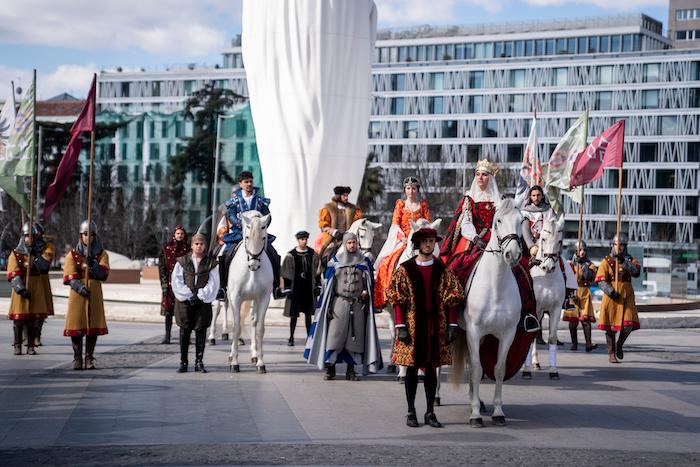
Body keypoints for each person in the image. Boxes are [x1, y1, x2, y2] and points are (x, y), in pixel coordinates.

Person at [439, 159, 539, 332]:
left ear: (491, 178)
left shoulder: (499, 201)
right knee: (455, 269)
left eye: (484, 175)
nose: (480, 178)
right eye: (477, 174)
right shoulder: (469, 199)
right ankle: (452, 315)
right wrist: (475, 237)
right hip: (475, 241)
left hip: (498, 240)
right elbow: (465, 223)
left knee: (522, 271)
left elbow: (508, 221)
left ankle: (526, 314)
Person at [386, 227, 463, 428]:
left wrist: (453, 324)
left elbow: (452, 298)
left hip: (435, 326)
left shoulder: (443, 269)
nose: (429, 244)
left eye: (432, 241)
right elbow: (397, 299)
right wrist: (400, 325)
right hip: (411, 326)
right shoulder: (405, 269)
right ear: (418, 244)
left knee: (431, 370)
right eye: (425, 241)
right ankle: (411, 411)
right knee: (411, 370)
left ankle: (430, 412)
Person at [305, 232, 383, 381]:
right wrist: (326, 305)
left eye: (354, 242)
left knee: (354, 340)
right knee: (334, 337)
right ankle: (330, 369)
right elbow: (327, 286)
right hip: (338, 304)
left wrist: (367, 293)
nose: (352, 245)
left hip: (358, 305)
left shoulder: (364, 262)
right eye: (349, 243)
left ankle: (351, 370)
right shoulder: (335, 262)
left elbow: (370, 284)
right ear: (344, 244)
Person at [217, 170, 282, 300]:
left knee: (274, 254)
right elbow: (231, 215)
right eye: (246, 182)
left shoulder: (260, 200)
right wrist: (243, 225)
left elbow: (267, 216)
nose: (249, 184)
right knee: (224, 255)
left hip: (258, 235)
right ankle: (222, 288)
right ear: (240, 184)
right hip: (238, 234)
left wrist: (260, 227)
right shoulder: (234, 201)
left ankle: (276, 288)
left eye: (251, 181)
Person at [373, 176, 432, 310]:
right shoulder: (400, 204)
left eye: (414, 188)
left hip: (420, 240)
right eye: (408, 188)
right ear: (405, 190)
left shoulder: (423, 205)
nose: (411, 191)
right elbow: (395, 223)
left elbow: (427, 223)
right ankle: (386, 295)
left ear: (418, 190)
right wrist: (402, 237)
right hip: (403, 239)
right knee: (386, 263)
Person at [63, 220, 109, 370]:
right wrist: (80, 287)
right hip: (78, 295)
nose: (88, 237)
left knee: (92, 326)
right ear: (80, 235)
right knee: (77, 325)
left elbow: (103, 274)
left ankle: (89, 358)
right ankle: (77, 358)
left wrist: (93, 265)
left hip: (94, 293)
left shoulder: (102, 254)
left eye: (91, 234)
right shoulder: (73, 255)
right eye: (85, 234)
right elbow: (69, 275)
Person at [171, 233, 219, 373]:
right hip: (185, 302)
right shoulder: (182, 261)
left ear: (205, 246)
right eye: (196, 244)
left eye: (202, 244)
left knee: (201, 331)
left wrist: (201, 295)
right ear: (192, 245)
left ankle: (199, 362)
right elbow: (176, 280)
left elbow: (214, 282)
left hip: (202, 302)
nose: (199, 246)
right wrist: (188, 294)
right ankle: (183, 362)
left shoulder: (211, 263)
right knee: (184, 331)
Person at [6, 222, 54, 355]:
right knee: (19, 320)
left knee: (34, 320)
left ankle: (31, 346)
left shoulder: (38, 254)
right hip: (20, 290)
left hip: (36, 288)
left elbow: (44, 268)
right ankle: (17, 345)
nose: (29, 239)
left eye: (32, 236)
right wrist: (21, 289)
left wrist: (36, 256)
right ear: (23, 237)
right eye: (27, 236)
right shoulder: (15, 254)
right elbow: (13, 273)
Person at [596, 233, 641, 364]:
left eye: (621, 245)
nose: (618, 247)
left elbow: (636, 272)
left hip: (627, 296)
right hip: (612, 297)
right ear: (613, 245)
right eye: (616, 244)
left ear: (625, 246)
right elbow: (600, 280)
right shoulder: (606, 261)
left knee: (628, 325)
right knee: (610, 326)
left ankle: (619, 344)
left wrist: (623, 261)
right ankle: (611, 353)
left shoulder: (630, 260)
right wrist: (610, 291)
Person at [281, 231, 320, 346]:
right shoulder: (291, 255)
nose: (304, 241)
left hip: (308, 288)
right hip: (295, 289)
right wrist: (287, 288)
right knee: (293, 315)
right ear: (298, 240)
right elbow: (286, 273)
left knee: (308, 315)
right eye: (302, 239)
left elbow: (317, 272)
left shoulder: (313, 254)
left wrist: (318, 285)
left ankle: (309, 337)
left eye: (305, 239)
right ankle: (291, 337)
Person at [562, 241, 599, 352]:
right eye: (579, 250)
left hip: (584, 292)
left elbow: (589, 277)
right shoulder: (570, 265)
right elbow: (565, 279)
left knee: (585, 321)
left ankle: (588, 343)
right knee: (573, 322)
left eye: (583, 250)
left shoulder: (590, 264)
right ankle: (574, 344)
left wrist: (582, 265)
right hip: (573, 291)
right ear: (575, 251)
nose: (582, 252)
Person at [158, 224, 189, 344]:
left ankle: (185, 336)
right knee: (169, 312)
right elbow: (162, 268)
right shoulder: (166, 249)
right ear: (174, 235)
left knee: (184, 311)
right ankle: (167, 336)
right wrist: (164, 286)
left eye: (182, 233)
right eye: (178, 233)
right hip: (170, 284)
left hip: (184, 284)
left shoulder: (188, 249)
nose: (180, 235)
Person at [313, 186, 363, 261]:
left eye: (347, 196)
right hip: (333, 236)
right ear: (338, 196)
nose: (346, 198)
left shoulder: (353, 208)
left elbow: (358, 222)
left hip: (349, 235)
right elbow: (324, 224)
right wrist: (333, 231)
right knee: (323, 250)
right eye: (344, 196)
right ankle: (319, 268)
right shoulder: (328, 207)